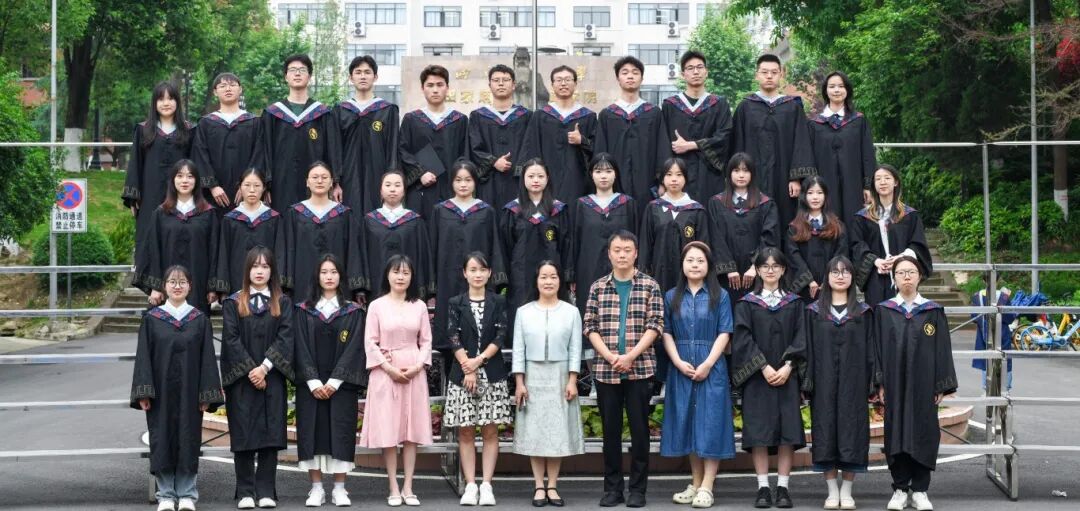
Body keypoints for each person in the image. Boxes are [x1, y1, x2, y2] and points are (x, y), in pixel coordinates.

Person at [131, 264, 224, 511]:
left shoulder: (199, 320)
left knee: (188, 439)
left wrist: (206, 393)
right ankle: (165, 495)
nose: (177, 286)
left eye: (182, 282)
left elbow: (207, 359)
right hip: (160, 392)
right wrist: (144, 392)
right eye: (172, 282)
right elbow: (143, 358)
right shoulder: (152, 319)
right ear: (164, 286)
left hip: (191, 392)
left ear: (190, 287)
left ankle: (187, 494)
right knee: (162, 439)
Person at [583, 231, 664, 508]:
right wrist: (609, 356)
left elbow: (656, 325)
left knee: (640, 432)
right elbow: (589, 326)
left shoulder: (650, 285)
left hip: (640, 369)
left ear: (636, 253)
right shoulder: (597, 287)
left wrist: (630, 356)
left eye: (627, 250)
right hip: (606, 372)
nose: (622, 255)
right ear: (609, 253)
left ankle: (638, 490)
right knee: (611, 432)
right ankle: (613, 489)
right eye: (617, 250)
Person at [730, 247, 808, 509]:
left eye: (776, 266)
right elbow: (743, 339)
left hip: (787, 375)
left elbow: (802, 337)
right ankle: (763, 487)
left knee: (788, 432)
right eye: (765, 266)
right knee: (759, 432)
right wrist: (762, 367)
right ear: (758, 270)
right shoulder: (746, 304)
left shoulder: (795, 303)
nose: (770, 270)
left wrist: (788, 366)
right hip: (757, 378)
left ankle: (783, 488)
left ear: (783, 270)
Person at [877, 256, 956, 511]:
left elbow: (942, 349)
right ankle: (900, 489)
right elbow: (876, 350)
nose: (907, 276)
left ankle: (920, 490)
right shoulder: (884, 311)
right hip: (894, 385)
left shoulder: (933, 311)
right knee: (896, 433)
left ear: (920, 276)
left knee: (924, 433)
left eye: (911, 271)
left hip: (924, 385)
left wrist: (940, 384)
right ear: (894, 278)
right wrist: (879, 383)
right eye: (901, 272)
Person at [660, 242, 735, 509]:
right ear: (682, 264)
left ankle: (707, 486)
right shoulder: (671, 296)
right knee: (689, 423)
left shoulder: (720, 295)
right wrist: (678, 362)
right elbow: (666, 332)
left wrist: (708, 364)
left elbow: (725, 332)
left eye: (700, 261)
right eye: (690, 260)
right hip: (681, 366)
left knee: (711, 423)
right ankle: (696, 482)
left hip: (711, 366)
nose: (695, 265)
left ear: (708, 265)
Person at [219, 247, 294, 510]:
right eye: (255, 266)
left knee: (270, 435)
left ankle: (265, 491)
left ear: (272, 271)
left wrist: (264, 368)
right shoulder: (233, 303)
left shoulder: (282, 302)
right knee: (243, 435)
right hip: (242, 380)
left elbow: (286, 337)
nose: (259, 271)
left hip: (271, 378)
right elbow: (230, 339)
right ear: (247, 270)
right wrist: (252, 370)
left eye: (265, 266)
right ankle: (245, 492)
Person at [293, 254, 367, 507]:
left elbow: (355, 347)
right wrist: (313, 381)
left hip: (341, 387)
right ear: (317, 276)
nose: (329, 276)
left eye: (334, 272)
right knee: (312, 433)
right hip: (310, 386)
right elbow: (299, 346)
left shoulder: (352, 311)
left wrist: (335, 381)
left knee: (340, 432)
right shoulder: (303, 310)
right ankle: (316, 488)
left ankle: (339, 488)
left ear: (341, 276)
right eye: (324, 272)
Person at [361, 254, 434, 507]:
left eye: (405, 272)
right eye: (396, 271)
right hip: (385, 372)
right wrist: (388, 368)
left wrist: (418, 366)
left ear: (412, 277)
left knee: (411, 431)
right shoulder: (376, 306)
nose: (400, 277)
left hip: (414, 371)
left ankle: (408, 486)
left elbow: (426, 341)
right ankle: (393, 486)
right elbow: (370, 342)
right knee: (389, 430)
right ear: (387, 275)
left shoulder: (420, 306)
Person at [511, 260, 585, 508]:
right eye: (543, 276)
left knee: (557, 432)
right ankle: (538, 486)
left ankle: (552, 485)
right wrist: (519, 382)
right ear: (536, 281)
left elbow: (575, 349)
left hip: (560, 376)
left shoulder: (571, 312)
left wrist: (573, 380)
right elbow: (518, 350)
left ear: (559, 281)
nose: (548, 281)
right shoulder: (524, 312)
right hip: (532, 376)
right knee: (535, 432)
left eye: (553, 276)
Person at [443, 252, 513, 506]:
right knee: (465, 431)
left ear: (489, 273)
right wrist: (468, 368)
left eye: (482, 269)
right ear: (464, 273)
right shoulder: (455, 302)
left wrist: (479, 361)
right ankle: (470, 484)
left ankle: (487, 485)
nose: (477, 274)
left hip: (491, 373)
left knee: (491, 431)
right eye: (472, 269)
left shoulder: (498, 301)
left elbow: (501, 335)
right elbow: (452, 335)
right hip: (463, 375)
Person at [805, 256, 874, 511]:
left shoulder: (864, 313)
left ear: (853, 277)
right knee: (825, 432)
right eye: (835, 271)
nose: (840, 276)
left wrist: (873, 382)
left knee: (852, 433)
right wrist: (807, 382)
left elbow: (872, 351)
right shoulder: (813, 312)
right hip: (823, 384)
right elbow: (807, 349)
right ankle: (832, 490)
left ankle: (847, 490)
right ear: (827, 277)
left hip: (854, 384)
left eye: (846, 272)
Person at [732, 54, 816, 228]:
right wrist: (740, 176)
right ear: (757, 75)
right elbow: (737, 144)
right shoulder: (745, 107)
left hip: (784, 179)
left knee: (785, 219)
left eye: (774, 72)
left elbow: (801, 143)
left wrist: (796, 178)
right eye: (764, 72)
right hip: (753, 178)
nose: (769, 76)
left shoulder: (792, 107)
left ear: (781, 75)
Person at [431, 161, 507, 349]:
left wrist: (496, 280)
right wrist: (431, 284)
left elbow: (494, 247)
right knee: (449, 329)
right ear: (451, 182)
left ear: (475, 182)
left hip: (478, 279)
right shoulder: (440, 210)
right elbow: (433, 248)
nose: (463, 184)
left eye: (468, 180)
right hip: (447, 278)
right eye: (458, 180)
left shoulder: (486, 211)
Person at [134, 159, 224, 313]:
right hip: (166, 288)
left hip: (199, 285)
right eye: (180, 176)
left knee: (196, 324)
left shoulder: (208, 214)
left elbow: (215, 251)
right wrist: (155, 286)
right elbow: (153, 250)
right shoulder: (161, 214)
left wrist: (212, 287)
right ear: (173, 180)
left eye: (190, 176)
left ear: (197, 181)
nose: (185, 181)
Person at [256, 54, 343, 210]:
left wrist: (335, 182)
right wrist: (265, 183)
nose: (297, 73)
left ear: (309, 76)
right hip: (280, 184)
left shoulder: (322, 113)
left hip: (316, 184)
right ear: (286, 77)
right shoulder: (273, 114)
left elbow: (332, 149)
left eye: (302, 70)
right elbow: (264, 150)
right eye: (292, 70)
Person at [124, 81, 194, 263]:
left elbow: (194, 165)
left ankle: (180, 279)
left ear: (177, 102)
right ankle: (151, 280)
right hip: (150, 194)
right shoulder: (143, 129)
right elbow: (135, 163)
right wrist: (133, 195)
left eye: (170, 98)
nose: (166, 103)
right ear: (154, 103)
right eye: (161, 99)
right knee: (149, 234)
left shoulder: (189, 130)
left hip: (182, 194)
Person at [280, 161, 367, 303]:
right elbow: (288, 250)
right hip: (303, 281)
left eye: (324, 177)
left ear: (331, 182)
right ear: (307, 182)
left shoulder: (344, 214)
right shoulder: (294, 213)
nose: (320, 181)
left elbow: (353, 252)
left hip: (337, 282)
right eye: (315, 177)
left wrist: (357, 288)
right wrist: (285, 286)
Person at [595, 56, 672, 213]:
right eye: (625, 73)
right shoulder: (607, 115)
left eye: (635, 72)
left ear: (641, 78)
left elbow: (662, 149)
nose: (630, 76)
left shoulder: (654, 113)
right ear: (618, 79)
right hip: (614, 185)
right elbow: (600, 151)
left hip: (647, 183)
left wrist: (663, 181)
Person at [849, 164, 932, 307]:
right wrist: (875, 261)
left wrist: (900, 258)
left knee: (904, 313)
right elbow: (857, 245)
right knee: (877, 313)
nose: (882, 182)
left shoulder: (909, 215)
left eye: (887, 178)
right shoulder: (862, 217)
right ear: (874, 185)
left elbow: (918, 244)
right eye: (878, 179)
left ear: (896, 182)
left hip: (904, 273)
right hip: (875, 276)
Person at [500, 158, 572, 322]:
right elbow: (505, 246)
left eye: (540, 176)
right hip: (520, 274)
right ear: (523, 179)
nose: (536, 180)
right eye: (531, 176)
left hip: (552, 274)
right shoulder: (512, 210)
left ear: (547, 178)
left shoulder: (558, 210)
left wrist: (568, 275)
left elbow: (566, 244)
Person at [571, 153, 638, 317]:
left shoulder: (627, 203)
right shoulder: (582, 205)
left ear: (616, 174)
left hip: (622, 268)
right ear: (591, 175)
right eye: (598, 171)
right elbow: (574, 242)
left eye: (608, 171)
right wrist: (571, 275)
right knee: (590, 311)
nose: (603, 176)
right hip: (588, 268)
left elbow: (636, 238)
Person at [399, 64, 469, 220]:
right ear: (422, 88)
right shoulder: (411, 120)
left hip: (451, 189)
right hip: (419, 190)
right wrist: (420, 173)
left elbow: (465, 153)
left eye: (440, 85)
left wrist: (459, 180)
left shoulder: (460, 120)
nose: (435, 90)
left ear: (447, 88)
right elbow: (403, 151)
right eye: (430, 85)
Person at [520, 65, 597, 204]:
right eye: (559, 80)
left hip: (578, 182)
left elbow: (598, 150)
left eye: (568, 79)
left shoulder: (588, 117)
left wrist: (582, 140)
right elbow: (531, 149)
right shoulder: (540, 116)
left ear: (575, 84)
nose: (563, 83)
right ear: (552, 85)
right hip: (546, 181)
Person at [662, 51, 733, 202]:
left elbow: (725, 138)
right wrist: (662, 180)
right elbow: (662, 144)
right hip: (679, 175)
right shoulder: (670, 106)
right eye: (690, 68)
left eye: (700, 67)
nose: (696, 72)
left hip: (710, 175)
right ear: (683, 74)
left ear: (706, 72)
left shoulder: (719, 104)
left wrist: (692, 145)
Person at [708, 153, 779, 299]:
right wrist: (729, 269)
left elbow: (769, 237)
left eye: (746, 171)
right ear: (729, 173)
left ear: (752, 174)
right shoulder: (716, 203)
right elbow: (715, 238)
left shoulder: (766, 204)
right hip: (725, 276)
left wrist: (756, 266)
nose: (741, 175)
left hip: (756, 274)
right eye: (736, 170)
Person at [808, 71, 876, 224]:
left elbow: (867, 155)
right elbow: (809, 157)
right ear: (826, 91)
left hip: (854, 183)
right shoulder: (814, 124)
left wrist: (868, 186)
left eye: (841, 86)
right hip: (825, 183)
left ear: (847, 90)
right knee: (828, 220)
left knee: (854, 219)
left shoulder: (858, 121)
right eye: (832, 86)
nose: (837, 90)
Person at [639, 157, 712, 296]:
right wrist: (644, 276)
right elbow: (645, 245)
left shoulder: (696, 210)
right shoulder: (653, 208)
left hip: (689, 275)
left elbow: (703, 246)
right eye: (669, 174)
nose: (674, 179)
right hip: (658, 274)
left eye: (679, 175)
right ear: (662, 179)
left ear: (685, 178)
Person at [337, 55, 400, 214]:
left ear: (375, 77)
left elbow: (393, 148)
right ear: (351, 78)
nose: (363, 76)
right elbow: (334, 147)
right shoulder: (340, 111)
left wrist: (391, 180)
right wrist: (336, 181)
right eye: (358, 72)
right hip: (348, 177)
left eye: (367, 72)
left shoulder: (387, 110)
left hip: (378, 175)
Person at [192, 72, 261, 216]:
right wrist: (212, 186)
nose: (228, 89)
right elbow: (200, 155)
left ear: (240, 89)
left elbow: (259, 154)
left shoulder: (254, 122)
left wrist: (248, 186)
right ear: (215, 92)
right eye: (222, 86)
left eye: (232, 85)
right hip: (214, 196)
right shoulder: (206, 123)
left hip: (248, 195)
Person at [362, 170, 435, 300]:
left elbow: (423, 256)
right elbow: (362, 255)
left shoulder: (415, 221)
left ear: (404, 191)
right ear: (380, 191)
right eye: (388, 185)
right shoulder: (369, 221)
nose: (392, 189)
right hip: (376, 286)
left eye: (397, 185)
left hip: (409, 288)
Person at [469, 64, 532, 208]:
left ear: (514, 85)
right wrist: (493, 161)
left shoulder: (526, 116)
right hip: (488, 182)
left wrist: (519, 170)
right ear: (489, 85)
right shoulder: (477, 116)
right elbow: (473, 148)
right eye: (496, 80)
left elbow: (530, 147)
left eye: (506, 80)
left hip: (518, 181)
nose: (501, 83)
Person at [216, 169, 282, 294]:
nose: (252, 190)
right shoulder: (230, 220)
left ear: (264, 188)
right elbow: (223, 254)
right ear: (240, 188)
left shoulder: (274, 218)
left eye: (257, 185)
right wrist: (223, 289)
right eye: (247, 185)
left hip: (268, 285)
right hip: (237, 281)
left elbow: (279, 254)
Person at [785, 175, 849, 300]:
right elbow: (793, 256)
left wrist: (829, 279)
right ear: (804, 196)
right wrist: (809, 280)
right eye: (810, 193)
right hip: (803, 288)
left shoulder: (837, 226)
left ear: (825, 196)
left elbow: (841, 253)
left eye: (819, 193)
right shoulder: (794, 228)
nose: (815, 197)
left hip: (832, 286)